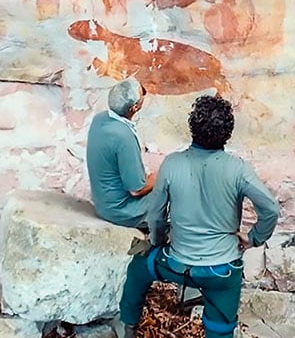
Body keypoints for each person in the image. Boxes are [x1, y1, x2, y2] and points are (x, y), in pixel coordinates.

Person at [114, 94, 281, 338]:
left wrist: (158, 242)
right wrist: (254, 238)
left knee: (139, 267)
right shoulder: (238, 168)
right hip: (221, 272)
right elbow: (271, 209)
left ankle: (128, 326)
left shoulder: (171, 164)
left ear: (192, 126)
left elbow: (156, 218)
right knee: (221, 328)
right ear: (228, 132)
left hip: (176, 264)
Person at [86, 77, 155, 228]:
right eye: (141, 94)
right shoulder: (123, 136)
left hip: (102, 203)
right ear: (134, 108)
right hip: (121, 211)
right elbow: (136, 190)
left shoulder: (100, 118)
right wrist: (161, 175)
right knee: (178, 189)